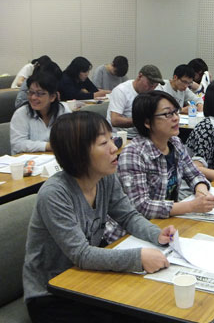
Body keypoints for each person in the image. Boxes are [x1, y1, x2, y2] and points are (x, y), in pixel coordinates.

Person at [23, 111, 176, 323]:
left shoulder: (105, 178)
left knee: (154, 305)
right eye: (104, 143)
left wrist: (157, 234)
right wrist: (138, 258)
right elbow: (82, 254)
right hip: (51, 293)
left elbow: (129, 216)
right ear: (78, 153)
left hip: (88, 279)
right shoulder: (55, 194)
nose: (115, 147)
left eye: (111, 139)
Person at [103, 90, 214, 243]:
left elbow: (194, 174)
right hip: (131, 233)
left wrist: (201, 192)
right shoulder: (134, 153)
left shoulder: (174, 143)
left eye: (175, 112)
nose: (176, 118)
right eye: (167, 114)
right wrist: (191, 206)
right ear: (147, 122)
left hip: (166, 222)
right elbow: (141, 206)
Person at [11, 72, 71, 154]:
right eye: (31, 92)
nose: (33, 97)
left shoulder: (63, 110)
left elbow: (70, 139)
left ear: (52, 97)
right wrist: (48, 146)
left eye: (39, 93)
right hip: (29, 162)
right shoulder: (21, 113)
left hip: (56, 159)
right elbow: (18, 145)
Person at [107, 64, 164, 138]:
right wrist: (142, 120)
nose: (152, 88)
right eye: (150, 84)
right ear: (140, 76)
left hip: (142, 135)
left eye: (155, 86)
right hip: (122, 136)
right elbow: (115, 121)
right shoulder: (121, 91)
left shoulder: (153, 91)